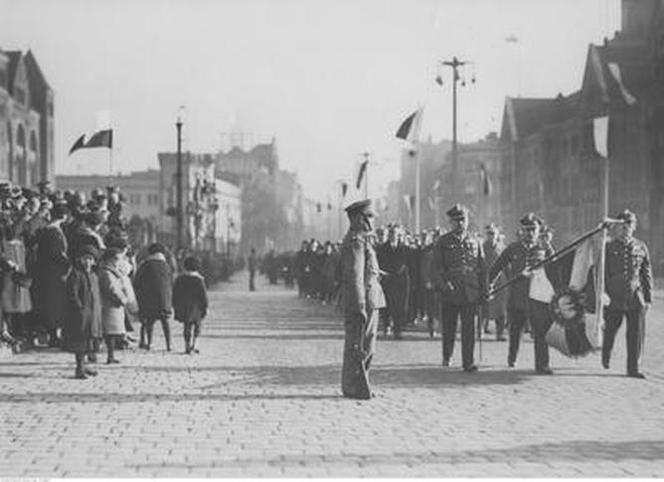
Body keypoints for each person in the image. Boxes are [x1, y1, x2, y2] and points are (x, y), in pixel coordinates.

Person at [488, 213, 554, 374]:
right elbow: (496, 267)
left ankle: (542, 365)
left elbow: (554, 268)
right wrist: (489, 284)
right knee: (515, 331)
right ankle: (512, 357)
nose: (530, 233)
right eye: (527, 230)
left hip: (538, 297)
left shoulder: (544, 248)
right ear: (522, 231)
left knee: (541, 332)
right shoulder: (513, 248)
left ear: (539, 231)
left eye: (533, 230)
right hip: (517, 297)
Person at [340, 199, 386, 400]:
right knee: (360, 345)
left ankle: (359, 384)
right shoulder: (355, 242)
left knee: (365, 345)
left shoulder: (361, 239)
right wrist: (360, 306)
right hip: (363, 301)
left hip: (370, 298)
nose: (372, 222)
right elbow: (355, 276)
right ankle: (354, 386)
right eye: (369, 217)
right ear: (360, 219)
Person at [433, 204, 486, 372]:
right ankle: (447, 355)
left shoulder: (476, 241)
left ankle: (468, 362)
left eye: (463, 220)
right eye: (456, 221)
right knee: (449, 327)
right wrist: (443, 285)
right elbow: (436, 268)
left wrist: (484, 290)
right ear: (450, 223)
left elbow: (482, 268)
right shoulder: (443, 241)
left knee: (469, 329)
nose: (461, 223)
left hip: (470, 291)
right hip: (451, 290)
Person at [602, 209, 652, 379]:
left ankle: (633, 368)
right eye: (622, 225)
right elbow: (603, 273)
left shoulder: (641, 246)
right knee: (610, 330)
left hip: (635, 296)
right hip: (614, 296)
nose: (625, 228)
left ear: (634, 226)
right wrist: (603, 293)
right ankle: (606, 353)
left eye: (629, 224)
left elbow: (646, 273)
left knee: (635, 334)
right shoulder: (608, 246)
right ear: (617, 228)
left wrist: (648, 298)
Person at [63, 245, 102, 379]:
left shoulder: (94, 276)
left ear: (94, 261)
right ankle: (79, 369)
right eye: (85, 259)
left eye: (90, 259)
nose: (87, 262)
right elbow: (72, 294)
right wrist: (79, 308)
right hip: (80, 314)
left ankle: (84, 366)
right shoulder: (76, 274)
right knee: (80, 341)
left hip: (93, 314)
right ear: (79, 260)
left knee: (89, 341)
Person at [134, 242, 173, 351]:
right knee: (165, 322)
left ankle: (149, 343)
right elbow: (171, 281)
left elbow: (137, 281)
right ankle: (168, 344)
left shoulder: (145, 264)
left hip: (149, 299)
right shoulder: (166, 265)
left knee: (150, 322)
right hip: (164, 300)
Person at [98, 247, 129, 364]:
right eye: (116, 259)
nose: (118, 261)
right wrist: (122, 299)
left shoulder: (112, 271)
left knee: (112, 333)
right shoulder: (106, 273)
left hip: (114, 306)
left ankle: (111, 355)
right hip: (110, 306)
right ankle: (109, 356)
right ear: (110, 259)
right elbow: (111, 289)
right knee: (109, 332)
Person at [172, 256, 209, 354]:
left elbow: (175, 293)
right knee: (197, 326)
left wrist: (175, 305)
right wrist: (205, 307)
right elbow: (203, 295)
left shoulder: (180, 279)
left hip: (184, 307)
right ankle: (195, 344)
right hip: (197, 308)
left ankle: (187, 345)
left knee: (186, 326)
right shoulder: (199, 280)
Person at [481, 223, 507, 341]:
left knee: (500, 308)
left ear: (497, 235)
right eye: (489, 234)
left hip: (500, 282)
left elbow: (507, 264)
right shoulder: (481, 247)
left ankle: (500, 333)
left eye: (493, 233)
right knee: (483, 307)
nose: (491, 236)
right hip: (486, 279)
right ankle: (480, 330)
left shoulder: (502, 248)